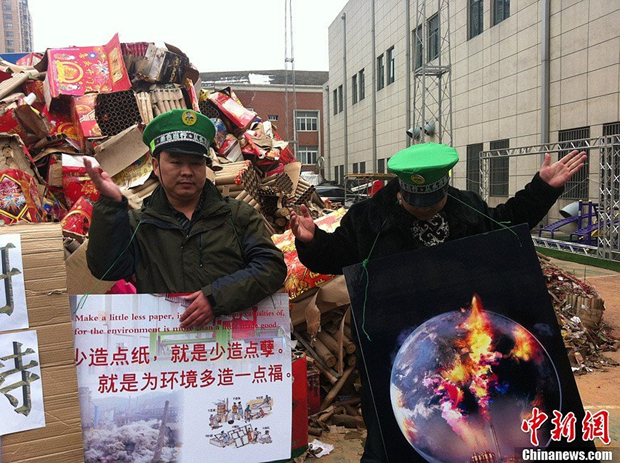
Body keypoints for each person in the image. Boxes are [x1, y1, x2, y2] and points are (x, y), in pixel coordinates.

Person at [290, 142, 586, 462]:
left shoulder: (467, 209)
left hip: (461, 345)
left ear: (445, 187)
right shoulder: (368, 220)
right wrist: (312, 241)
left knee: (465, 433)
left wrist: (542, 188)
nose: (425, 209)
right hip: (394, 347)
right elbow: (336, 255)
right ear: (401, 189)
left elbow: (505, 224)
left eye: (433, 202)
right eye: (416, 203)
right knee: (386, 440)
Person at [85, 109, 287, 329]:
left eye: (196, 163)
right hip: (164, 342)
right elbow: (106, 268)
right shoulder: (138, 224)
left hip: (229, 344)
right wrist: (111, 205)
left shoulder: (238, 215)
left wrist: (216, 298)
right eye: (176, 162)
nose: (187, 172)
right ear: (156, 166)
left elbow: (271, 268)